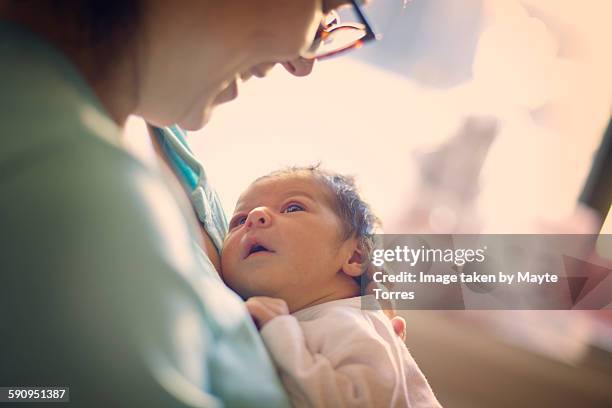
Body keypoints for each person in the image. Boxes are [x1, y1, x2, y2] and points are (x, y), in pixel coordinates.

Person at [0, 1, 406, 407]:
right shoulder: (63, 181)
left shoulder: (167, 137)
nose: (303, 63)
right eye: (324, 7)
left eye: (295, 208)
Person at [220, 166, 441, 407]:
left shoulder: (349, 319)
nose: (255, 216)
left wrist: (278, 329)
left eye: (293, 208)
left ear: (354, 257)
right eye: (239, 221)